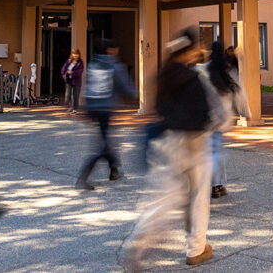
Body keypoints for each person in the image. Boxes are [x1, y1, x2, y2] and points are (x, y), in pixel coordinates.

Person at [125, 27, 222, 269]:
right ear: (189, 51)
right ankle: (196, 249)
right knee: (198, 197)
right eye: (197, 46)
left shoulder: (163, 76)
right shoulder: (193, 79)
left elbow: (159, 110)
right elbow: (208, 115)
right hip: (195, 145)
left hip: (168, 143)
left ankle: (139, 240)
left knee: (165, 197)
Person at [77, 38, 136, 190]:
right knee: (104, 146)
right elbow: (126, 89)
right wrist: (138, 93)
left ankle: (114, 170)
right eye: (115, 48)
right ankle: (84, 177)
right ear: (110, 50)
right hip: (105, 109)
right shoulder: (115, 67)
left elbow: (88, 87)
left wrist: (85, 108)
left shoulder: (92, 65)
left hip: (93, 109)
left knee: (106, 141)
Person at [198, 40, 246, 198]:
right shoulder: (228, 71)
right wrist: (245, 112)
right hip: (222, 119)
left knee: (208, 151)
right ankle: (217, 185)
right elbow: (239, 93)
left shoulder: (202, 70)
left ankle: (210, 183)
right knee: (216, 151)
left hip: (206, 118)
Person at [61, 49, 85, 114]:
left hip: (76, 81)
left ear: (79, 54)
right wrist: (64, 74)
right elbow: (63, 68)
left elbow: (80, 72)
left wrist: (72, 72)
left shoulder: (80, 62)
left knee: (75, 96)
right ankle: (70, 105)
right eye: (74, 54)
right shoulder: (69, 61)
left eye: (77, 54)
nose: (75, 55)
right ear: (72, 54)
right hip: (69, 80)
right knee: (67, 95)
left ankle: (75, 109)